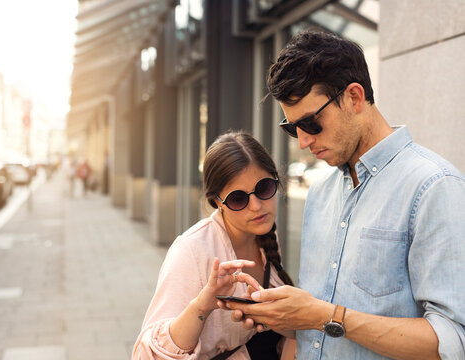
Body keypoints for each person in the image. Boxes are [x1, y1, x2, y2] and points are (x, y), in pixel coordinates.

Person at [223, 29, 465, 359]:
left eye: (310, 123)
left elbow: (453, 340)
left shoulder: (434, 187)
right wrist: (281, 315)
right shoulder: (320, 194)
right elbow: (319, 326)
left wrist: (326, 316)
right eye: (292, 128)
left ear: (354, 97)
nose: (303, 142)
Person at [133, 131, 296, 360]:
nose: (257, 206)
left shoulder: (266, 234)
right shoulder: (192, 250)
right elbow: (148, 355)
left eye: (264, 188)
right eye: (238, 199)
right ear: (217, 202)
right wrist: (202, 306)